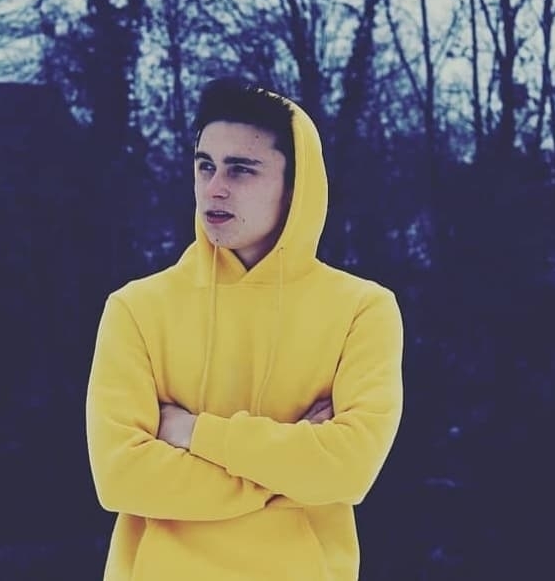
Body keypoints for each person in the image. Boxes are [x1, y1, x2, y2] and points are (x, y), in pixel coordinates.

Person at [85, 77, 404, 580]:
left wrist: (191, 432)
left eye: (241, 169)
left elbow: (350, 470)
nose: (215, 187)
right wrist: (290, 470)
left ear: (295, 187)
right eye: (205, 165)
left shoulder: (361, 310)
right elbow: (120, 478)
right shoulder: (136, 308)